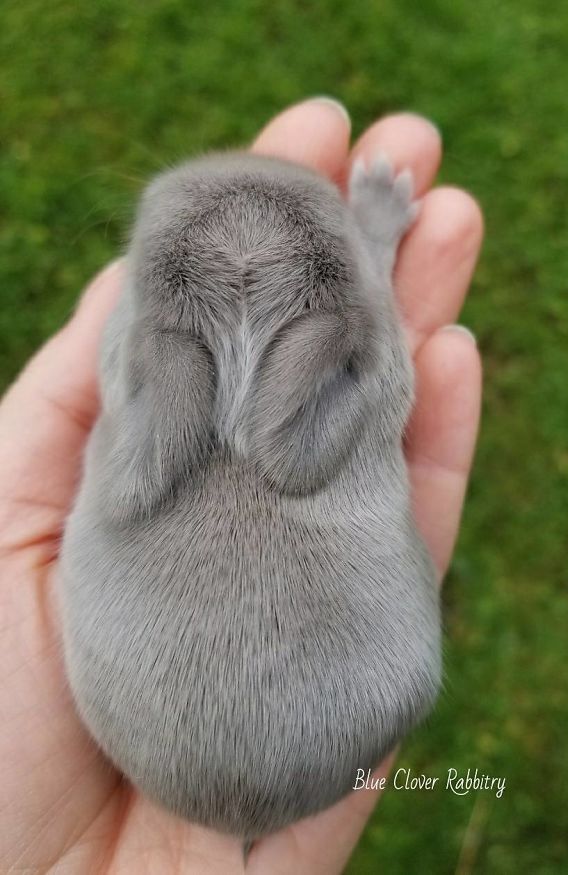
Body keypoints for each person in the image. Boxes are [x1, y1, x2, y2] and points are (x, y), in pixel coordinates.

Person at [0, 97, 483, 874]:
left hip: (150, 735)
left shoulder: (150, 396)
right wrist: (372, 239)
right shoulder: (350, 374)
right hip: (341, 720)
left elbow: (134, 476)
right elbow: (372, 371)